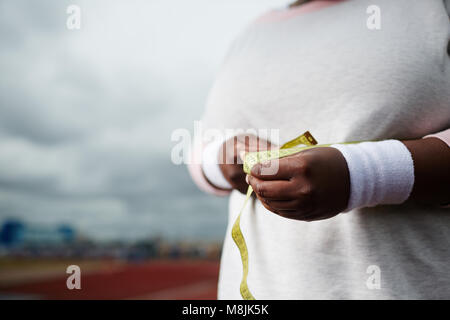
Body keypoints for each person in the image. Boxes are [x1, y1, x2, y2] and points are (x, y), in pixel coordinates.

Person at [188, 0, 450, 299]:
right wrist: (220, 161)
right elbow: (201, 148)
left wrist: (361, 176)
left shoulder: (433, 8)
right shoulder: (251, 34)